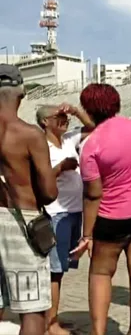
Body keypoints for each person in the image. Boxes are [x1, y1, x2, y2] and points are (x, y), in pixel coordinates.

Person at [70, 83, 131, 335]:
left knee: (101, 272)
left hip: (113, 215)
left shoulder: (91, 145)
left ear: (88, 110)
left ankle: (98, 332)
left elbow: (93, 194)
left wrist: (87, 235)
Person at [0, 64, 58, 335]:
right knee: (32, 311)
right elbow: (49, 192)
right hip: (21, 221)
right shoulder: (29, 134)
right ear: (21, 95)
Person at [35, 103, 94, 335]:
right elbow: (41, 179)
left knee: (61, 270)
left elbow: (93, 128)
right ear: (44, 122)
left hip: (74, 211)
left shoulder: (68, 140)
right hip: (56, 213)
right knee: (54, 271)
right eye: (57, 117)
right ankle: (51, 325)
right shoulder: (41, 146)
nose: (63, 119)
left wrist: (76, 110)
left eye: (64, 116)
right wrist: (61, 167)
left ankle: (53, 318)